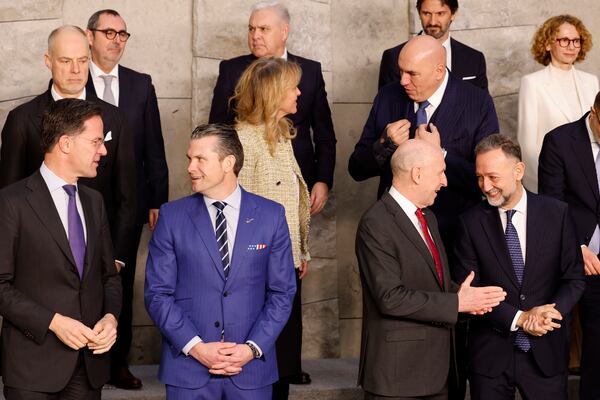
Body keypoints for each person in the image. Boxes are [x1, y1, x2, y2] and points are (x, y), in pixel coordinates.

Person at [145, 123, 296, 400]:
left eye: (200, 159)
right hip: (188, 370)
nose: (191, 167)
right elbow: (157, 294)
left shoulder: (271, 216)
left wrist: (251, 349)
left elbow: (282, 292)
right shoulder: (171, 217)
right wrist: (196, 347)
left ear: (229, 163)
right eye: (189, 158)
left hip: (251, 372)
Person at [356, 138, 506, 400]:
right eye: (440, 172)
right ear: (417, 174)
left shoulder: (428, 217)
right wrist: (456, 303)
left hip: (437, 373)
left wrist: (467, 299)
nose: (445, 181)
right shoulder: (376, 223)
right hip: (398, 376)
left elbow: (434, 282)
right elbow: (390, 298)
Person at [0, 98, 122, 399]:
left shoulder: (94, 202)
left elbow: (109, 277)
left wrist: (111, 318)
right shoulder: (11, 202)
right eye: (96, 141)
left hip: (88, 367)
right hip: (32, 369)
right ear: (66, 144)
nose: (103, 150)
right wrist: (53, 322)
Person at [0, 25, 137, 282]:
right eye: (65, 61)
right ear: (48, 61)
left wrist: (116, 259)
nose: (76, 70)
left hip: (101, 260)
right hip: (37, 263)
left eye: (82, 60)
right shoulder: (21, 119)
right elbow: (8, 195)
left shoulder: (115, 119)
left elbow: (127, 196)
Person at [454, 134, 585, 400]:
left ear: (518, 171)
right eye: (480, 177)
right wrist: (521, 319)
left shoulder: (557, 213)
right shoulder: (469, 223)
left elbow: (574, 279)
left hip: (546, 353)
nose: (485, 186)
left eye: (493, 176)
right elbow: (470, 290)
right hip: (489, 357)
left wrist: (548, 315)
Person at [85, 9, 169, 389]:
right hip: (81, 198)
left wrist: (158, 199)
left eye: (123, 34)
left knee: (121, 280)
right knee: (79, 279)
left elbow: (154, 145)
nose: (117, 40)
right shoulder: (73, 78)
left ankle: (118, 363)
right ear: (90, 37)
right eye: (109, 32)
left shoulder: (140, 84)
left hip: (128, 202)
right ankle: (83, 363)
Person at [209, 1, 336, 219]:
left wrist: (323, 180)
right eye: (251, 28)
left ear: (284, 31)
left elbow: (324, 134)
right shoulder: (231, 70)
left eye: (263, 29)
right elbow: (218, 131)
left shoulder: (311, 71)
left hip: (298, 179)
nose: (255, 35)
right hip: (245, 179)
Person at [232, 57, 310, 400]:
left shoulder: (281, 135)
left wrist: (300, 251)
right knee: (262, 365)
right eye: (292, 86)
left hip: (286, 269)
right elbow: (234, 212)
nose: (298, 92)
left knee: (283, 364)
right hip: (256, 275)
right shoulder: (242, 142)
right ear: (273, 92)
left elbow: (290, 202)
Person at [539, 91, 600, 399]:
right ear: (594, 113)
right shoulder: (560, 142)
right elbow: (552, 206)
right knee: (588, 345)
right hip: (578, 259)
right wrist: (577, 247)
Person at [517, 14, 598, 193]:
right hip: (553, 182)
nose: (571, 46)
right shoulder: (532, 83)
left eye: (576, 40)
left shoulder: (591, 81)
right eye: (564, 40)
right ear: (547, 44)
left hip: (591, 182)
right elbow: (527, 143)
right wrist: (547, 184)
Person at [378, 0, 487, 90]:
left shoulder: (475, 59)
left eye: (440, 14)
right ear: (419, 13)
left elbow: (482, 108)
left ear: (453, 14)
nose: (433, 22)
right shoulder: (393, 57)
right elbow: (386, 107)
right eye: (426, 13)